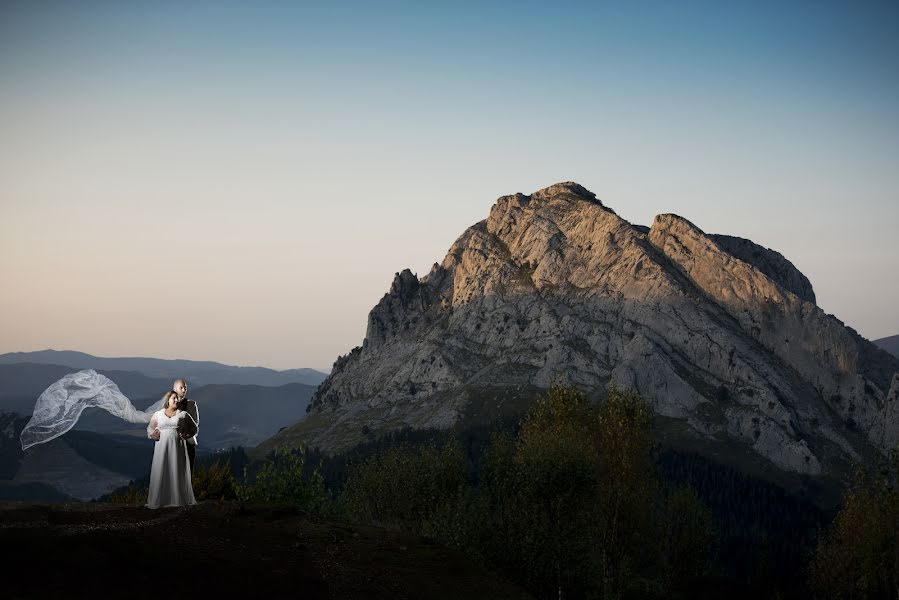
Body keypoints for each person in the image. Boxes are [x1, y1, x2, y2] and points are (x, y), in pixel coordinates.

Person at [146, 391, 197, 509]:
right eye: (174, 398)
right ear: (167, 400)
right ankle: (160, 500)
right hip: (161, 448)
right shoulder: (158, 414)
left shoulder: (183, 414)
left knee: (176, 469)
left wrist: (187, 434)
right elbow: (150, 428)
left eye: (177, 399)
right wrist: (152, 435)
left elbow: (194, 428)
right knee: (161, 469)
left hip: (177, 447)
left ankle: (177, 499)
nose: (176, 400)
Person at [172, 378, 199, 471]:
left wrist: (185, 434)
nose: (184, 390)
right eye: (181, 388)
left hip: (188, 444)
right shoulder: (167, 405)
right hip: (172, 445)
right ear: (175, 389)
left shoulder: (191, 404)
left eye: (185, 388)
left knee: (187, 473)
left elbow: (195, 423)